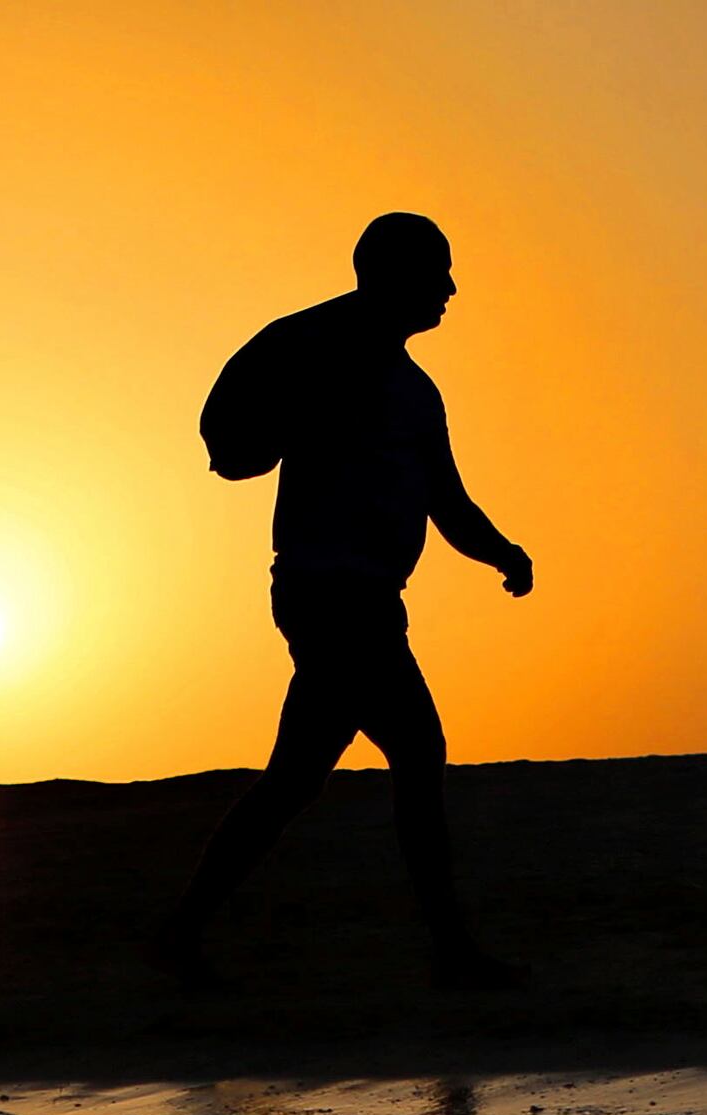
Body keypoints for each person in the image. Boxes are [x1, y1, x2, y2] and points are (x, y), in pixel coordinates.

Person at [157, 212, 534, 989]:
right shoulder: (309, 346)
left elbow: (448, 503)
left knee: (294, 779)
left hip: (365, 596)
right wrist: (259, 443)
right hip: (330, 593)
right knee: (418, 750)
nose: (452, 290)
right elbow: (230, 438)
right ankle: (453, 953)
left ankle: (180, 930)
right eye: (438, 273)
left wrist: (504, 554)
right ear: (392, 274)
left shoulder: (415, 390)